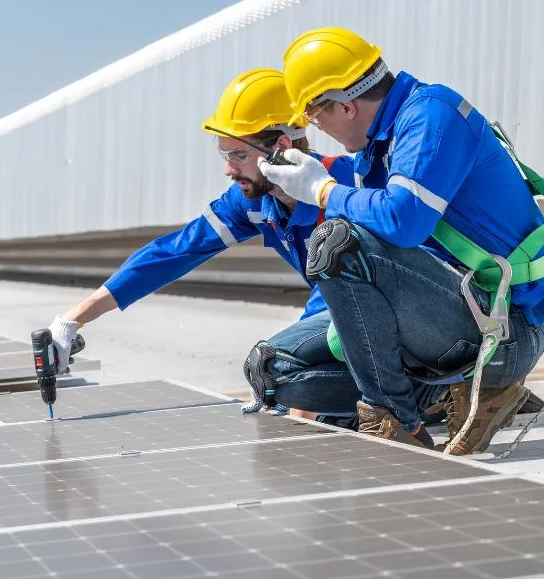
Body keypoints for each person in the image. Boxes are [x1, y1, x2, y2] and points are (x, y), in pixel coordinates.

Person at [43, 67, 438, 423]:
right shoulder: (253, 201)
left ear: (280, 147)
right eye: (224, 155)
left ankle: (431, 391)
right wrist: (73, 319)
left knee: (284, 375)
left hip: (415, 321)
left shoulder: (348, 186)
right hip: (359, 326)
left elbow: (337, 294)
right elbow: (173, 252)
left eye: (237, 155)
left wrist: (289, 379)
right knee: (285, 378)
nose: (228, 170)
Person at [257, 26, 544, 454]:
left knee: (337, 240)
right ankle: (447, 393)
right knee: (273, 369)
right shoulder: (376, 149)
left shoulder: (432, 115)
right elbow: (358, 271)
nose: (318, 130)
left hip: (503, 330)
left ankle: (396, 421)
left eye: (315, 116)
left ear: (345, 106)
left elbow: (403, 222)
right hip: (444, 320)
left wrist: (323, 190)